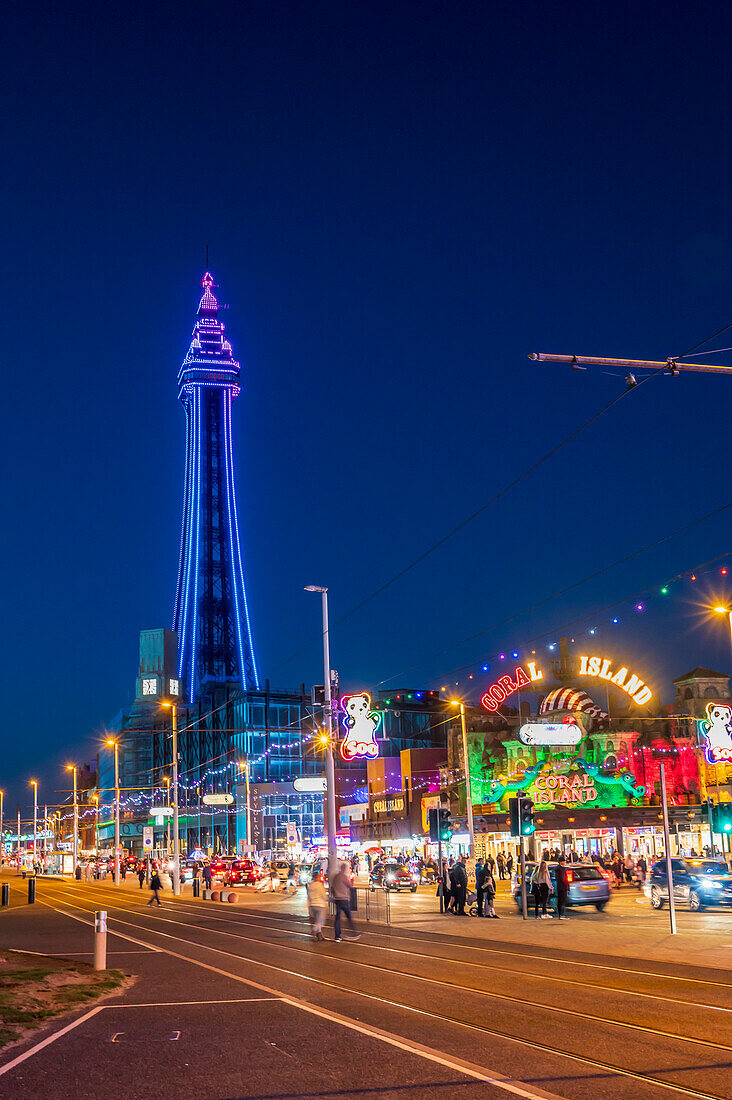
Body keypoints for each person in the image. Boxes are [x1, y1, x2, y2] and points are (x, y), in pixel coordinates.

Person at [331, 862, 360, 942]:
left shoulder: (336, 877)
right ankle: (353, 933)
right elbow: (350, 885)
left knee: (337, 918)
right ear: (344, 869)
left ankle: (337, 936)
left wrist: (334, 895)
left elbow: (332, 888)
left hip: (337, 899)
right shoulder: (343, 877)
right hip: (344, 899)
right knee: (349, 917)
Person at [307, 871, 328, 941]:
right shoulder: (319, 885)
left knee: (317, 920)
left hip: (313, 905)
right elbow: (323, 895)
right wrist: (326, 899)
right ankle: (314, 929)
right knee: (321, 921)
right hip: (320, 905)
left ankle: (319, 935)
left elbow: (309, 896)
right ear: (317, 877)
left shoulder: (310, 885)